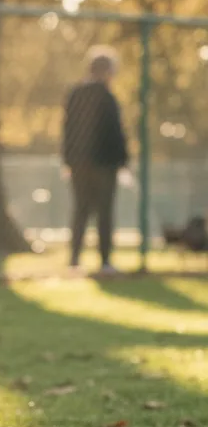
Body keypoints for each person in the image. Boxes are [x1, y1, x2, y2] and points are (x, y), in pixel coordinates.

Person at [62, 46, 131, 275]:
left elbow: (68, 130)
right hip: (103, 164)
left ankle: (74, 258)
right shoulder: (107, 96)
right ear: (107, 71)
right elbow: (114, 133)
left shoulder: (74, 94)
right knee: (104, 212)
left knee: (81, 210)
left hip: (78, 164)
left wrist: (68, 160)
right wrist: (122, 161)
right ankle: (105, 260)